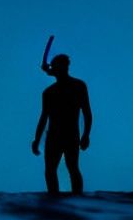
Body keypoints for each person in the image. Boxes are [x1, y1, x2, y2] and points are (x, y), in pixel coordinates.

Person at [31, 53, 92, 194]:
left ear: (66, 67)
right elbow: (44, 118)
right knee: (51, 170)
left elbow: (87, 112)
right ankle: (54, 199)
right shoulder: (49, 92)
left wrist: (86, 135)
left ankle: (77, 198)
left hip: (70, 135)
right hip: (54, 136)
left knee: (72, 167)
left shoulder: (78, 86)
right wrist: (36, 139)